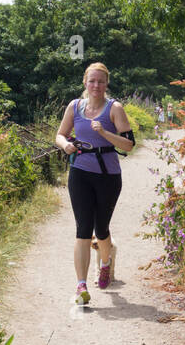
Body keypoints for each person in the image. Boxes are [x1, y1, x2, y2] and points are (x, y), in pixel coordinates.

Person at [55, 62, 135, 305]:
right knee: (82, 228)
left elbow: (129, 145)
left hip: (108, 175)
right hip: (79, 170)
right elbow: (60, 134)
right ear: (85, 83)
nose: (96, 85)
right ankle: (81, 285)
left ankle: (106, 261)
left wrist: (104, 133)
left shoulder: (115, 108)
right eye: (92, 81)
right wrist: (65, 144)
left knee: (101, 229)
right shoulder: (74, 106)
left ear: (106, 84)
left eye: (100, 81)